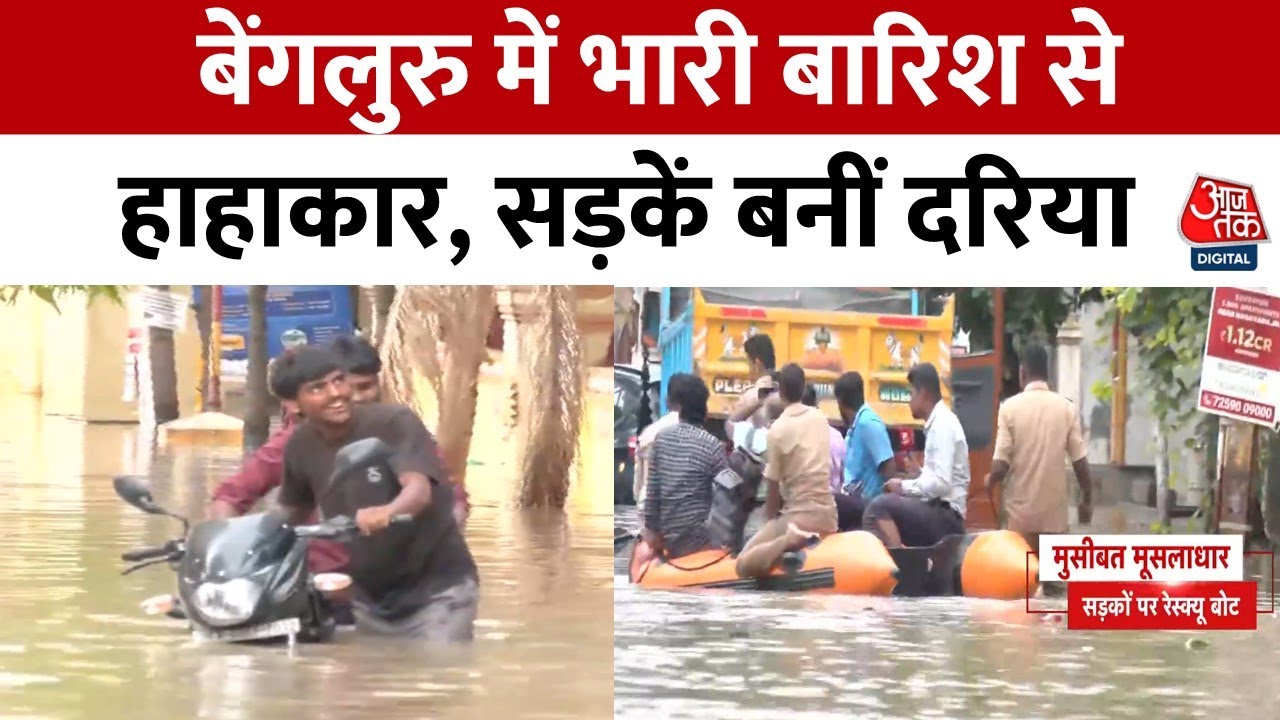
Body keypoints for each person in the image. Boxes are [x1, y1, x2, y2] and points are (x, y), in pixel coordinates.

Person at [272, 346, 479, 643]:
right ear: (293, 405)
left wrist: (387, 512)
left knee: (437, 680)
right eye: (318, 388)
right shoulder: (299, 446)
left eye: (338, 381)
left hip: (438, 590)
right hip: (369, 598)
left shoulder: (393, 422)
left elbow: (418, 490)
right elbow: (291, 511)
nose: (336, 393)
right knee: (374, 681)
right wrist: (243, 540)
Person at [983, 343, 1094, 552]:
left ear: (1022, 372)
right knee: (1055, 583)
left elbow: (1001, 466)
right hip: (1055, 523)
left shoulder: (1009, 409)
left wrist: (990, 480)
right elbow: (1080, 463)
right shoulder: (1066, 408)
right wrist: (1086, 501)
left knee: (1023, 581)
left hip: (1020, 524)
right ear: (1048, 374)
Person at [735, 364, 838, 579]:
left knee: (742, 565)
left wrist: (772, 528)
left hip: (798, 518)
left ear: (780, 392)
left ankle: (787, 541)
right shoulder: (820, 419)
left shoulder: (777, 430)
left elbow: (772, 493)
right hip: (829, 516)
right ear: (803, 389)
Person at [863, 362, 969, 548]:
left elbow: (942, 484)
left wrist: (903, 486)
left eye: (911, 394)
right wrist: (919, 474)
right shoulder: (940, 423)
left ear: (924, 394)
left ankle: (904, 567)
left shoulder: (942, 425)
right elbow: (940, 477)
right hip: (938, 510)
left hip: (946, 516)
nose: (909, 400)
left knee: (877, 509)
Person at [640, 374, 726, 559]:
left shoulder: (661, 438)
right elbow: (728, 496)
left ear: (676, 405)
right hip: (701, 541)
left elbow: (653, 495)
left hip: (667, 539)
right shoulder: (713, 445)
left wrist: (654, 535)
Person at [833, 371, 897, 532]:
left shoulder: (868, 423)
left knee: (831, 502)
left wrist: (883, 509)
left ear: (840, 402)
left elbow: (889, 466)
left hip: (867, 503)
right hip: (854, 498)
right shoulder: (855, 426)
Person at [632, 388, 681, 507]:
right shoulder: (690, 431)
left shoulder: (650, 431)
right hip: (674, 503)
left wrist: (638, 495)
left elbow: (639, 471)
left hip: (647, 498)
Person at [726, 333, 782, 432]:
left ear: (757, 363)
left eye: (748, 361)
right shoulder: (786, 393)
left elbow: (733, 427)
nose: (748, 368)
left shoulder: (751, 397)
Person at [801, 384, 845, 493]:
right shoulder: (836, 436)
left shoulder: (793, 437)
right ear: (816, 404)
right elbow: (843, 476)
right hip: (834, 501)